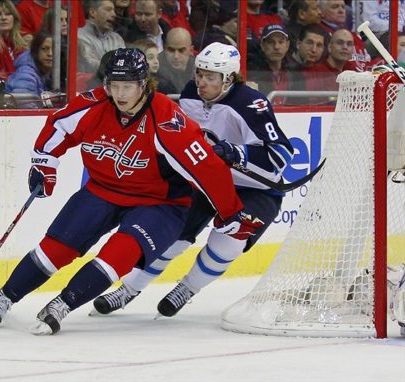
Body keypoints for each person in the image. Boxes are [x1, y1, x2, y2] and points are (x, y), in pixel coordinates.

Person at [0, 48, 250, 335]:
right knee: (57, 247)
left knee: (119, 253)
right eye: (114, 86)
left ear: (144, 85)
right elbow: (58, 125)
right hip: (103, 190)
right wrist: (45, 163)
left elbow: (207, 168)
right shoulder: (94, 105)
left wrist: (230, 210)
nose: (119, 94)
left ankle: (61, 305)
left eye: (127, 87)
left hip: (160, 203)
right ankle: (5, 296)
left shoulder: (166, 120)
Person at [92, 42, 293, 318]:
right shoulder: (189, 94)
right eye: (199, 74)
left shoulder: (251, 104)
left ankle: (187, 288)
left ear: (229, 79)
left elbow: (280, 156)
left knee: (229, 240)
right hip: (206, 181)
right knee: (169, 235)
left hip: (256, 188)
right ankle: (128, 289)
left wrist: (236, 152)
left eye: (210, 77)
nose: (201, 82)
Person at [5, 31, 55, 108]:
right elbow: (26, 107)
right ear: (35, 51)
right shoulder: (26, 74)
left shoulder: (40, 72)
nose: (50, 54)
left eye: (53, 50)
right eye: (44, 49)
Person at [77, 0, 125, 73]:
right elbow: (90, 66)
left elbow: (125, 64)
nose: (114, 14)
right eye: (108, 10)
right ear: (92, 12)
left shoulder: (117, 38)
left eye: (114, 10)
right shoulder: (79, 35)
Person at [157, 27, 195, 93]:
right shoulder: (155, 68)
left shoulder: (198, 68)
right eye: (171, 50)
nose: (176, 56)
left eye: (181, 50)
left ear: (191, 50)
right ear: (164, 48)